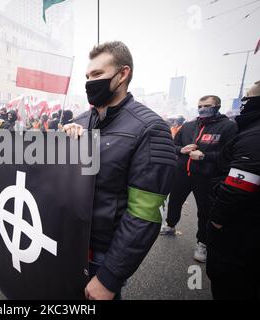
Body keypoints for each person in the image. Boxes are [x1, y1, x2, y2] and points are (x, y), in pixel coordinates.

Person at [63, 41, 176, 300]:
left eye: (98, 75)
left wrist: (109, 277)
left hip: (103, 256)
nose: (90, 82)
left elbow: (144, 214)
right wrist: (61, 143)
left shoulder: (150, 128)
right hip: (68, 241)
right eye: (88, 76)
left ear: (123, 74)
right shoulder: (79, 121)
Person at [206, 77, 260, 300]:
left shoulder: (259, 135)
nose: (243, 103)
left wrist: (216, 220)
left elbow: (237, 188)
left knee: (231, 283)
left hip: (240, 231)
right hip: (256, 229)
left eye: (247, 98)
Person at [160, 95, 237, 263]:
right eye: (200, 105)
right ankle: (170, 225)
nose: (203, 108)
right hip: (182, 173)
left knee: (205, 211)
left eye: (207, 105)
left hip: (207, 177)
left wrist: (205, 156)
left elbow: (230, 154)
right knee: (174, 201)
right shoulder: (188, 126)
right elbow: (173, 145)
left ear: (217, 106)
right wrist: (182, 150)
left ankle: (203, 242)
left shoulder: (227, 127)